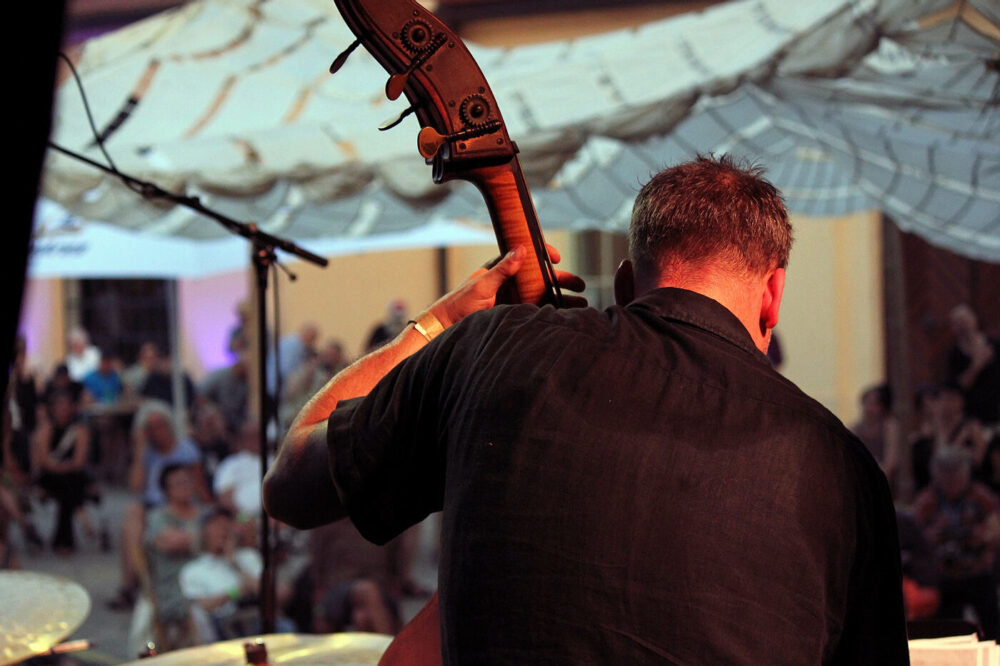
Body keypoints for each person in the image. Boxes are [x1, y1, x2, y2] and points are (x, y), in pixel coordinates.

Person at [263, 155, 909, 664]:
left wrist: (440, 323)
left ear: (625, 284)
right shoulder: (844, 470)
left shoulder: (493, 346)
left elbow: (292, 479)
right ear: (773, 296)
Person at [912, 447, 1000, 639]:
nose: (952, 483)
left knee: (991, 623)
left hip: (978, 572)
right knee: (945, 628)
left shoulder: (981, 496)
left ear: (966, 475)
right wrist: (932, 535)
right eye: (946, 478)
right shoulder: (926, 501)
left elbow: (995, 531)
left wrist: (982, 536)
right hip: (943, 576)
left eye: (956, 477)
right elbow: (915, 540)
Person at [945, 304, 999, 426]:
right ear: (954, 327)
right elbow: (955, 388)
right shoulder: (954, 354)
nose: (964, 325)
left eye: (966, 320)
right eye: (959, 322)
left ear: (975, 319)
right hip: (971, 417)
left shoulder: (994, 346)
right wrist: (976, 366)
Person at [851, 383, 903, 489]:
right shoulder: (854, 430)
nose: (870, 409)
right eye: (868, 403)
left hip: (884, 484)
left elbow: (891, 463)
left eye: (875, 404)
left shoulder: (890, 427)